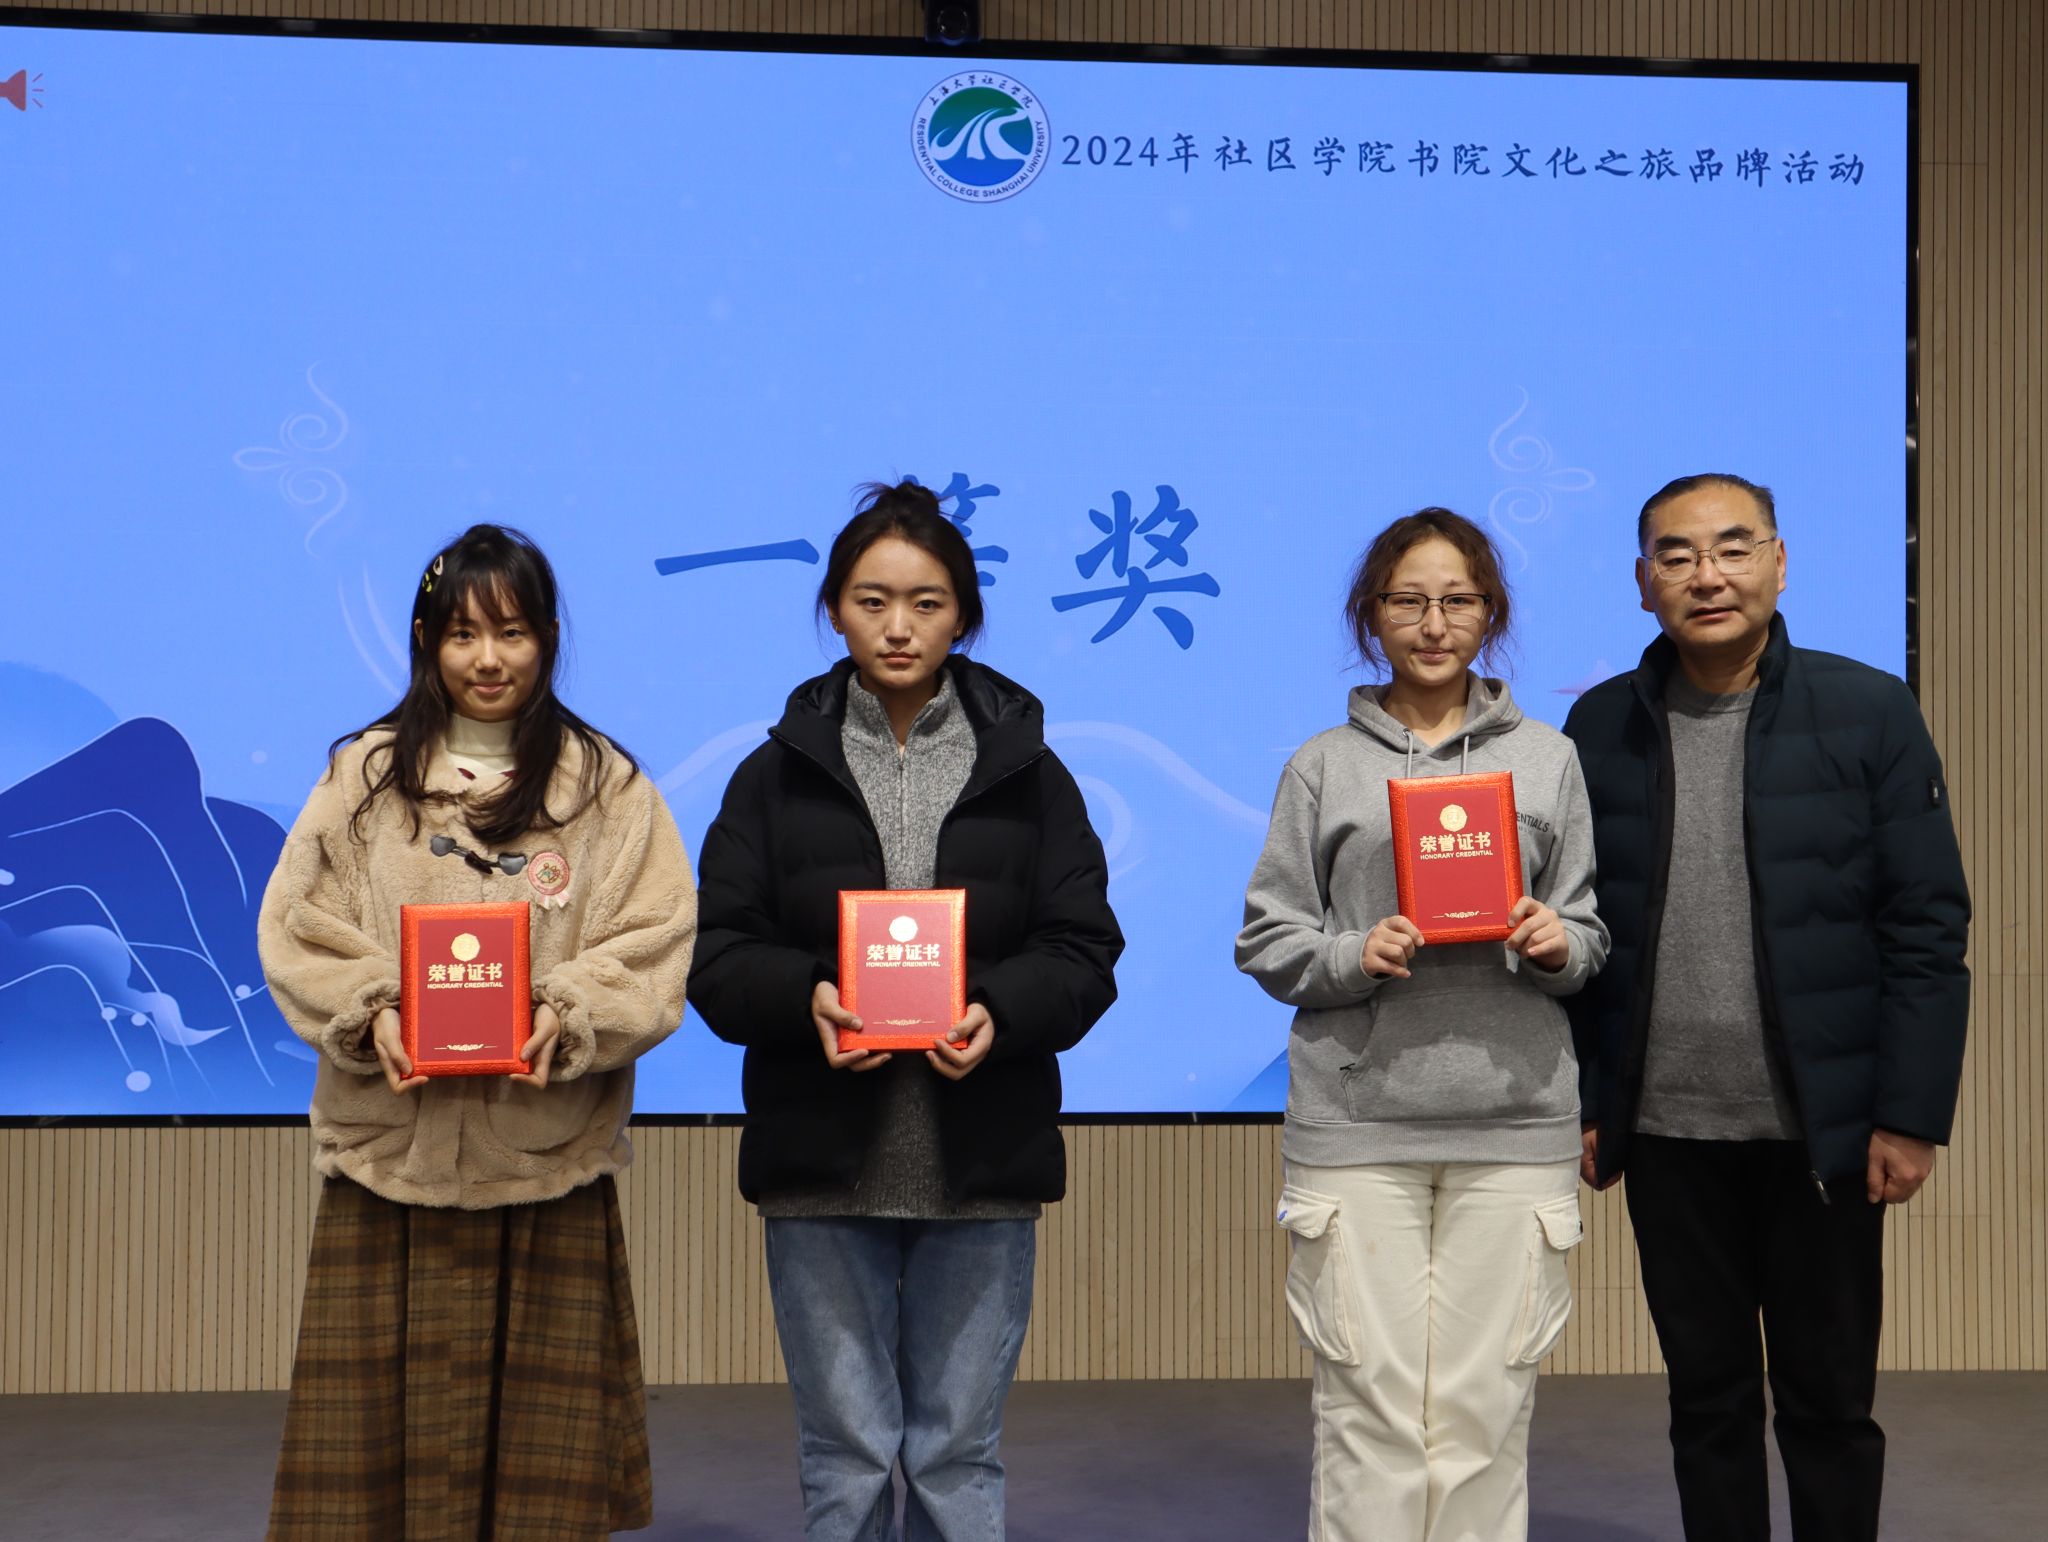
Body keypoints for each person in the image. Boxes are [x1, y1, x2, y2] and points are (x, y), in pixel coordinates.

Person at [686, 480, 1122, 1542]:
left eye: (926, 603)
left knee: (955, 1456)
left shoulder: (1029, 773)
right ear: (834, 610)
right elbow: (717, 955)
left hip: (982, 1154)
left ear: (962, 616)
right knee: (842, 1457)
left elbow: (1082, 949)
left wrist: (998, 1013)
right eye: (872, 600)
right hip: (819, 1159)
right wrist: (808, 1000)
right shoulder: (773, 776)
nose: (898, 626)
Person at [258, 524, 696, 1541]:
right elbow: (296, 925)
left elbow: (655, 937)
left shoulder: (606, 787)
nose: (487, 659)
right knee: (363, 1491)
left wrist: (569, 1009)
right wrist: (372, 1007)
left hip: (541, 1161)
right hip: (390, 1162)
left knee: (541, 1493)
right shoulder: (363, 778)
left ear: (547, 638)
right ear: (426, 641)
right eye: (462, 634)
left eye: (511, 632)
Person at [1564, 473, 1970, 1541]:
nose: (1707, 575)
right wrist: (1591, 1101)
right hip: (1665, 1130)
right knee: (1705, 1406)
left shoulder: (1868, 709)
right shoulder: (1598, 725)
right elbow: (1580, 933)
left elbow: (1926, 925)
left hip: (1820, 1131)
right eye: (1677, 555)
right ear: (1642, 581)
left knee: (1828, 1405)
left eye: (1733, 547)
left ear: (1779, 563)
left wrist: (1909, 1114)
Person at [1236, 507, 1608, 1542]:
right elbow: (1267, 937)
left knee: (1486, 1415)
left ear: (1490, 614)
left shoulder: (1547, 759)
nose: (1432, 623)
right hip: (1358, 1132)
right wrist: (1353, 954)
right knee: (1370, 1415)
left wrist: (1555, 942)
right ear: (1371, 616)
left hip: (1515, 1124)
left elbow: (1587, 931)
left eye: (1456, 600)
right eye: (1407, 601)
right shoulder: (1322, 765)